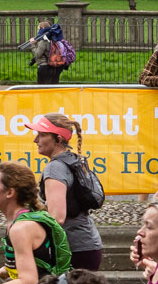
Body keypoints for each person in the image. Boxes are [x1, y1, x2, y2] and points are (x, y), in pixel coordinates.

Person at [35, 112, 105, 273]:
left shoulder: (55, 167)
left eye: (41, 134)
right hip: (87, 245)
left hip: (72, 250)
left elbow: (56, 218)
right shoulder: (74, 159)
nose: (35, 140)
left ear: (58, 139)